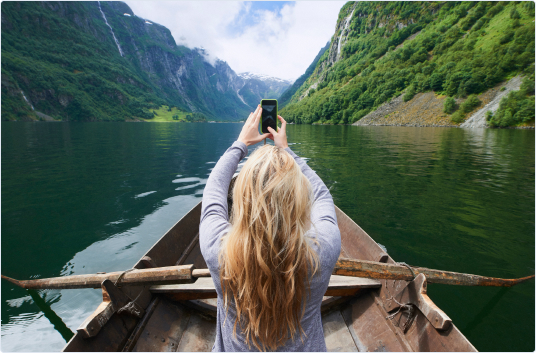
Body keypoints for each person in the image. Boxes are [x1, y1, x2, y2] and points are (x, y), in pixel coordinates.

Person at [200, 105, 341, 352]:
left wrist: (240, 144)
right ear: (298, 200)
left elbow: (213, 192)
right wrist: (285, 150)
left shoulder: (218, 251)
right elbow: (322, 196)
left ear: (242, 199)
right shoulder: (324, 251)